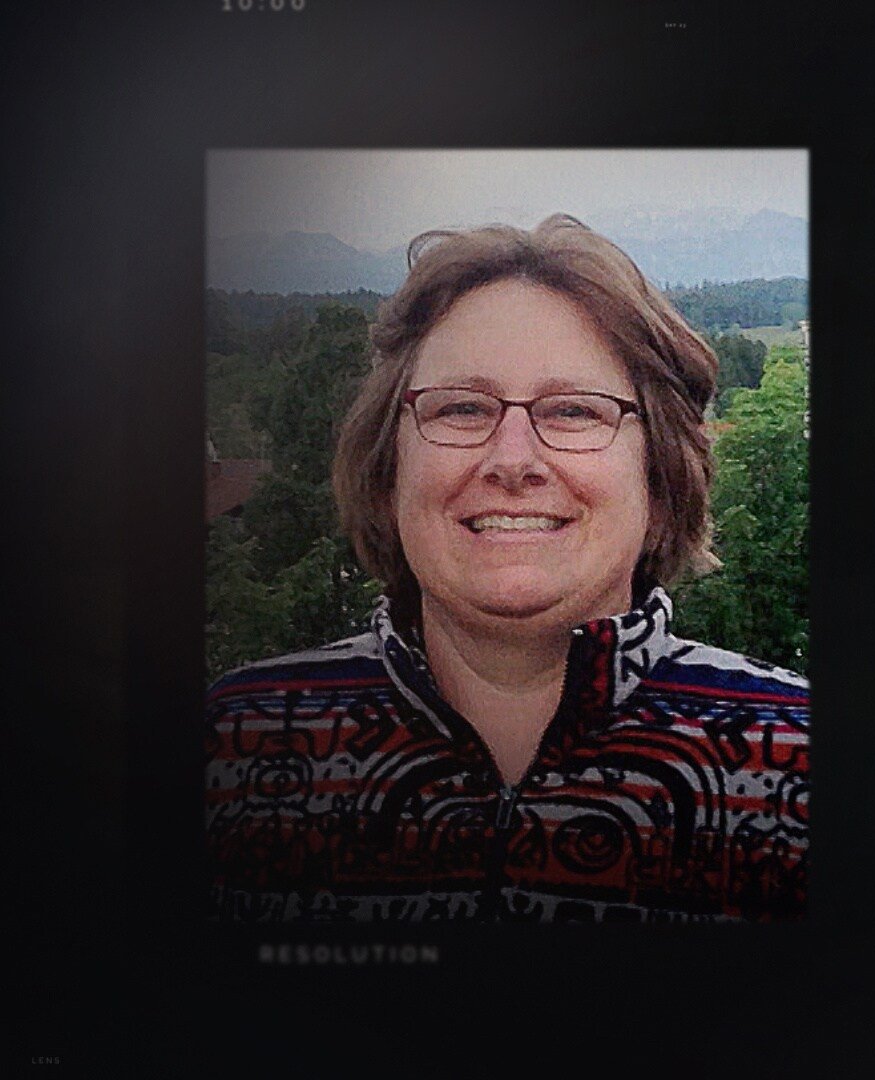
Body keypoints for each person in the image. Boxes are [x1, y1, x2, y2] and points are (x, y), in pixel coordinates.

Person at [205, 215, 808, 922]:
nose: (512, 460)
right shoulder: (237, 744)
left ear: (660, 475)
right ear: (388, 465)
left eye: (574, 411)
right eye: (462, 407)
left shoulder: (796, 754)